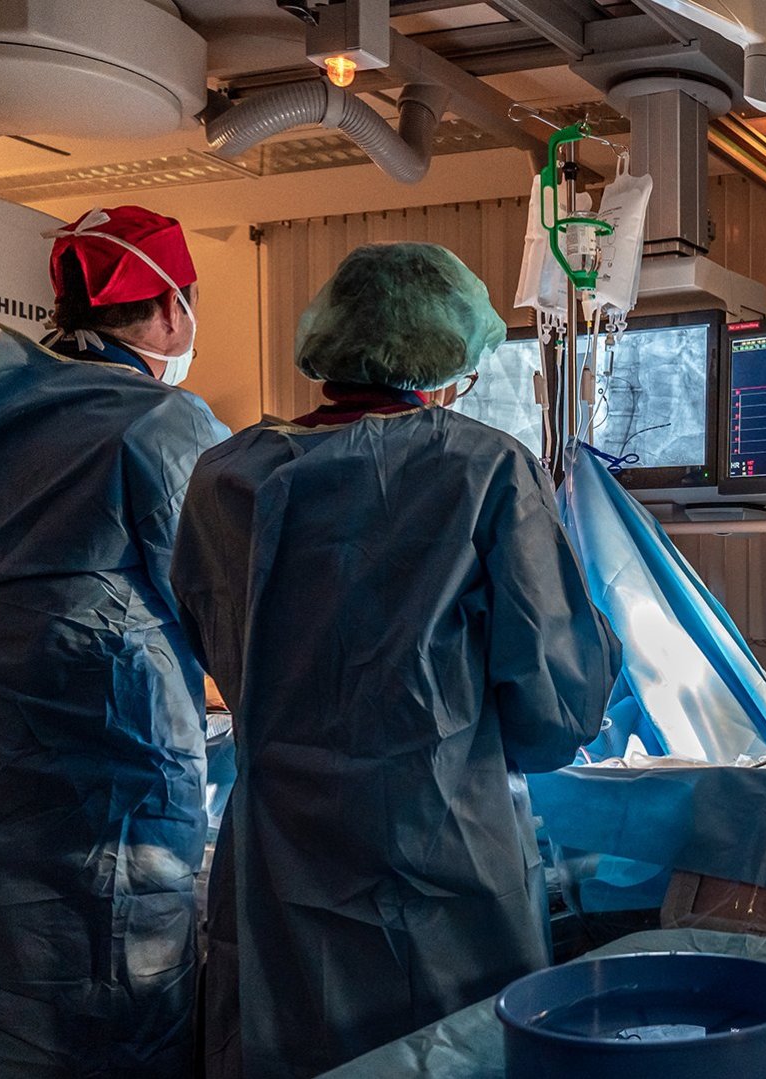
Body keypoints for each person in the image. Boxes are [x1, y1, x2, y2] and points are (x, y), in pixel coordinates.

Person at [171, 242, 618, 1078]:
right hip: (442, 860)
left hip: (280, 866)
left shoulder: (225, 477)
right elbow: (556, 713)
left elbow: (214, 642)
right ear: (451, 351)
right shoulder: (482, 470)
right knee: (456, 1057)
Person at [0, 205, 227, 1076]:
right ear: (171, 307)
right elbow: (230, 610)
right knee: (102, 1007)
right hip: (101, 785)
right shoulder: (166, 427)